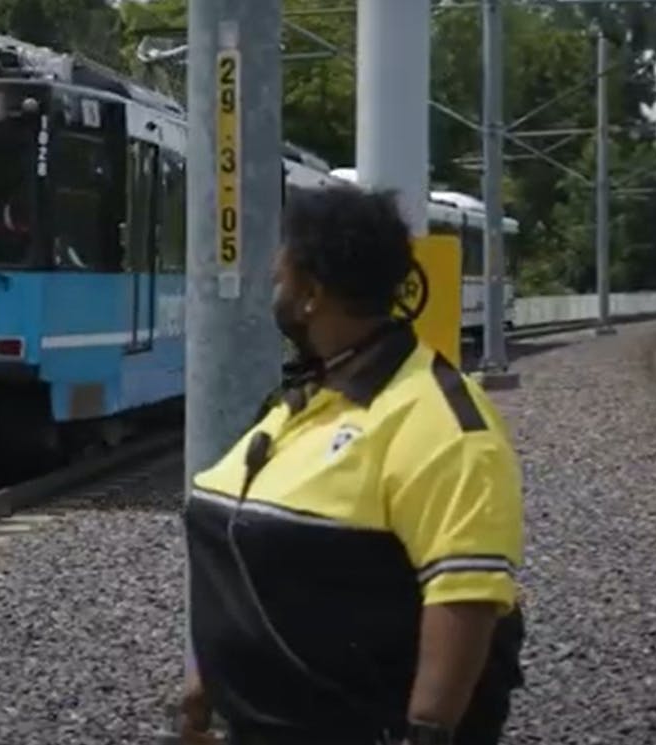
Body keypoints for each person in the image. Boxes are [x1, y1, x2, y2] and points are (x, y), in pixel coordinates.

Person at [178, 184, 526, 745]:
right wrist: (207, 682)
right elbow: (238, 546)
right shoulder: (298, 401)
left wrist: (426, 734)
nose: (272, 282)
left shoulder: (443, 423)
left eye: (281, 274)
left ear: (311, 293)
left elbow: (465, 596)